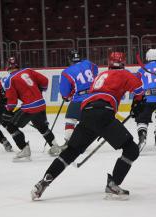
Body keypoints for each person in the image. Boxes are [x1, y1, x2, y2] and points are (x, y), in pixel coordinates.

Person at [31, 52, 144, 200]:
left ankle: (43, 182)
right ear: (123, 63)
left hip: (86, 112)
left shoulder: (100, 76)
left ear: (109, 63)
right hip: (104, 113)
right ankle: (113, 184)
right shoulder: (124, 74)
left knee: (71, 152)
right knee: (132, 149)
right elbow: (140, 91)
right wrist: (137, 105)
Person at [2, 57, 62, 160]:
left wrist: (8, 111)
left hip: (29, 107)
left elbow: (12, 101)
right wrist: (40, 90)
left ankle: (24, 148)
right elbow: (44, 80)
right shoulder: (28, 71)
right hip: (41, 103)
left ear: (7, 66)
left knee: (10, 126)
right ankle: (55, 146)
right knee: (42, 127)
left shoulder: (9, 80)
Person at [59, 49, 98, 146]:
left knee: (70, 119)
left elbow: (65, 93)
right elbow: (95, 70)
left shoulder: (66, 72)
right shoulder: (88, 63)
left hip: (80, 99)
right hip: (95, 96)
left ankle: (69, 143)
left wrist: (67, 97)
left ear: (69, 59)